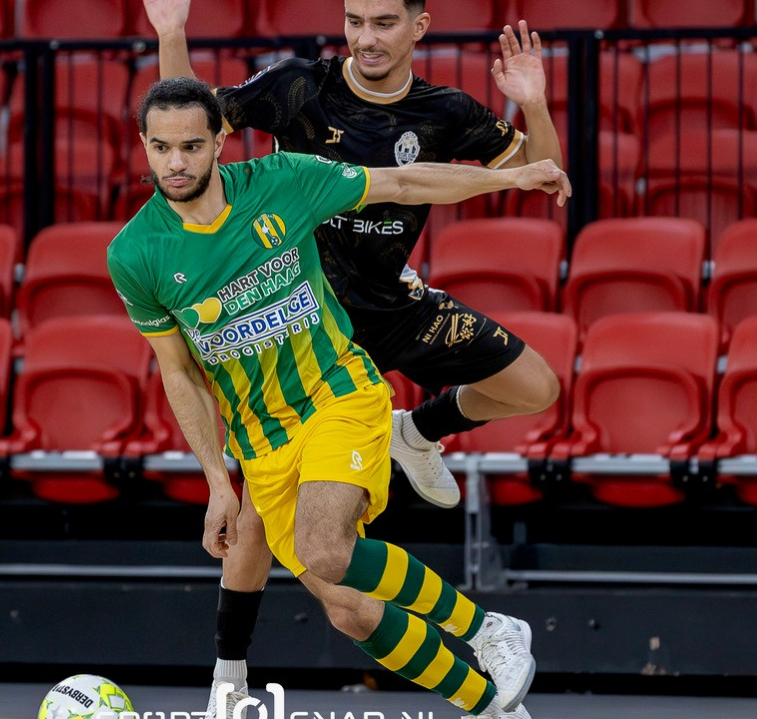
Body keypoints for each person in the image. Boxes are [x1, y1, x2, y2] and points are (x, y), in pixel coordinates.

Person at [141, 0, 564, 711]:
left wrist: (536, 104)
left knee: (537, 386)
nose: (366, 37)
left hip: (391, 303)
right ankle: (228, 675)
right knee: (266, 530)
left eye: (383, 23)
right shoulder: (299, 86)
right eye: (355, 20)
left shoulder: (445, 109)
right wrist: (172, 34)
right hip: (309, 321)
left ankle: (417, 430)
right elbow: (192, 125)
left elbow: (541, 172)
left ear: (418, 28)